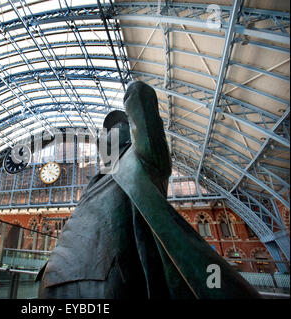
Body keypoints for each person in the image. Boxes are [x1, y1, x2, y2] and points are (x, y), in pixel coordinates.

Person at [36, 80, 261, 299]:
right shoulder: (96, 179)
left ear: (132, 134)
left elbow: (141, 101)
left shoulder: (141, 159)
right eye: (108, 132)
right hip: (54, 276)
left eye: (116, 129)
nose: (108, 136)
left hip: (100, 278)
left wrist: (134, 89)